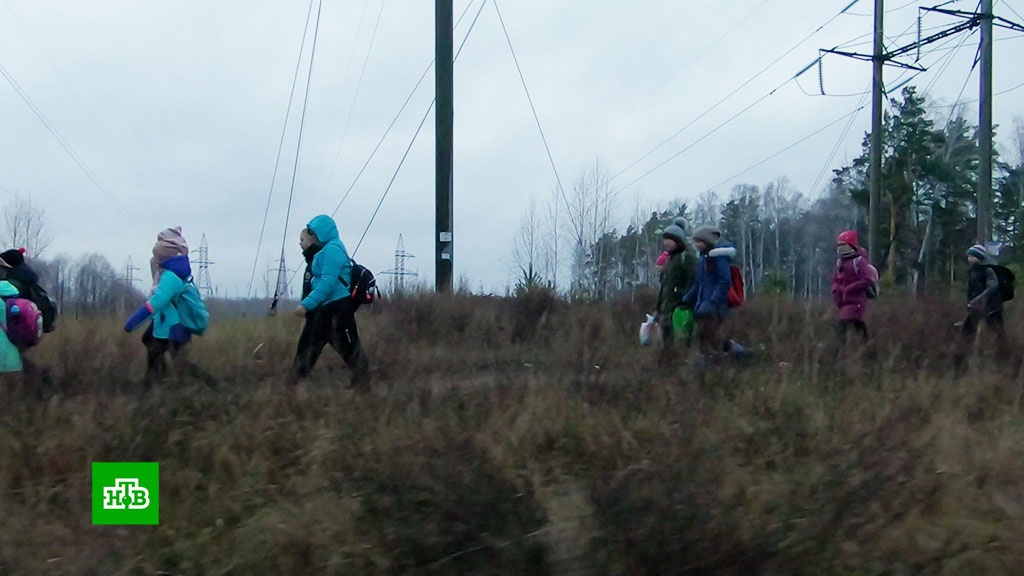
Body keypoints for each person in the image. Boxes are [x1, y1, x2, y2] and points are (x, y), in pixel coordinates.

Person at [292, 214, 370, 390]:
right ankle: (296, 380)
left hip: (337, 306)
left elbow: (328, 282)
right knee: (320, 342)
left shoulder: (333, 250)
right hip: (328, 307)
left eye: (310, 234)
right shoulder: (325, 251)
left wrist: (306, 305)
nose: (307, 239)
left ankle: (296, 381)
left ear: (320, 233)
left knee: (344, 345)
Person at [123, 227, 199, 384]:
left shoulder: (171, 276)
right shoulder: (171, 272)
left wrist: (133, 322)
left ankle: (205, 385)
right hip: (168, 323)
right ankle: (160, 382)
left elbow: (157, 302)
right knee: (154, 346)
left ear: (165, 257)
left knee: (174, 360)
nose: (155, 260)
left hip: (174, 326)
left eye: (157, 256)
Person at [682, 225, 739, 364]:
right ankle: (709, 365)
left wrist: (712, 302)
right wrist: (686, 298)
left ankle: (733, 360)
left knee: (717, 338)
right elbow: (699, 283)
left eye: (699, 241)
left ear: (707, 241)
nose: (696, 245)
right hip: (703, 306)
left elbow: (724, 281)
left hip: (717, 307)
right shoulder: (702, 258)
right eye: (695, 241)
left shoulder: (718, 257)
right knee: (705, 337)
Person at [954, 244, 1008, 373]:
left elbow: (993, 287)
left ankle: (1008, 363)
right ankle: (958, 368)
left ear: (978, 256)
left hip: (992, 309)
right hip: (976, 309)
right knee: (966, 335)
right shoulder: (973, 270)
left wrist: (977, 300)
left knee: (999, 336)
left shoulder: (988, 269)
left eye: (971, 255)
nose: (968, 258)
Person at [654, 217, 696, 363]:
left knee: (681, 342)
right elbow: (665, 285)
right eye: (665, 240)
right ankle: (668, 370)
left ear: (677, 240)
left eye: (669, 240)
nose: (666, 244)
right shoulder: (670, 259)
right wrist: (658, 308)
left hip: (679, 308)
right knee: (666, 344)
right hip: (666, 308)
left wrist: (685, 300)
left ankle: (680, 370)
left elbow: (693, 280)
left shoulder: (687, 257)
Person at [831, 230, 872, 343]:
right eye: (838, 245)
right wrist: (837, 290)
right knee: (857, 324)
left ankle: (835, 353)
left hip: (856, 300)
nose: (839, 248)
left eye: (842, 245)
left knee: (843, 325)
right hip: (844, 301)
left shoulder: (859, 261)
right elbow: (836, 279)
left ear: (851, 245)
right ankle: (868, 349)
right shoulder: (840, 262)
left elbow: (867, 279)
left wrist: (849, 288)